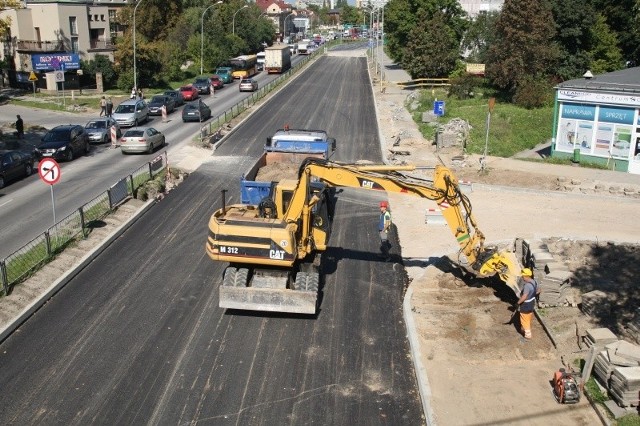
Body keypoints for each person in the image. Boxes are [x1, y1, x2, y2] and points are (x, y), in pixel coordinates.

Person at [517, 268, 541, 340]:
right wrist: (533, 294)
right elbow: (539, 290)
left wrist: (518, 303)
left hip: (526, 305)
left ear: (525, 276)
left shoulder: (527, 286)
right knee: (528, 317)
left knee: (525, 320)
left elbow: (524, 297)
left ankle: (527, 336)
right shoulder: (534, 282)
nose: (522, 277)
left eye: (523, 276)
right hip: (532, 302)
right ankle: (523, 329)